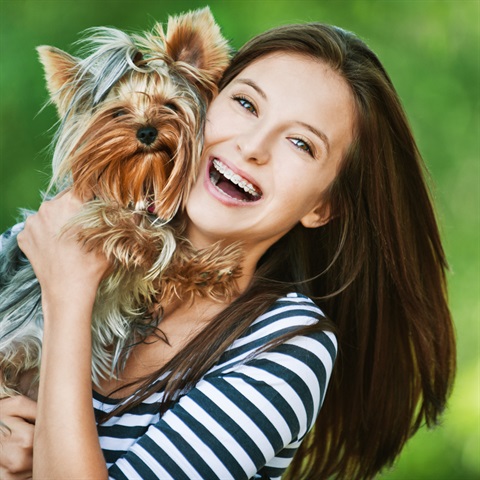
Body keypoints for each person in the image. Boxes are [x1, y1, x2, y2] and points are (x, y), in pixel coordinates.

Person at [0, 21, 455, 480]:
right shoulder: (36, 241)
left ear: (324, 206)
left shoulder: (288, 348)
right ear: (205, 96)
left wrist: (70, 294)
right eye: (245, 103)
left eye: (301, 143)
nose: (253, 147)